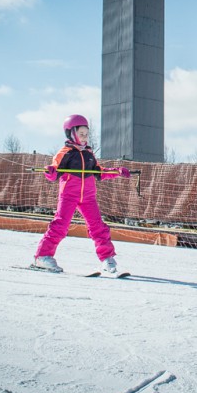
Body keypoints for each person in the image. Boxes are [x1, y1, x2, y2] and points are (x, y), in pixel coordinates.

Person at [33, 114, 131, 273]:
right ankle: (43, 257)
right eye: (81, 134)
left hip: (88, 197)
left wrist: (117, 171)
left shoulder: (89, 154)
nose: (85, 137)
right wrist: (49, 172)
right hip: (69, 195)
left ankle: (107, 260)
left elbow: (99, 172)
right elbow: (54, 172)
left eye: (86, 134)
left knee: (98, 227)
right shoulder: (65, 152)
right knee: (60, 225)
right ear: (71, 133)